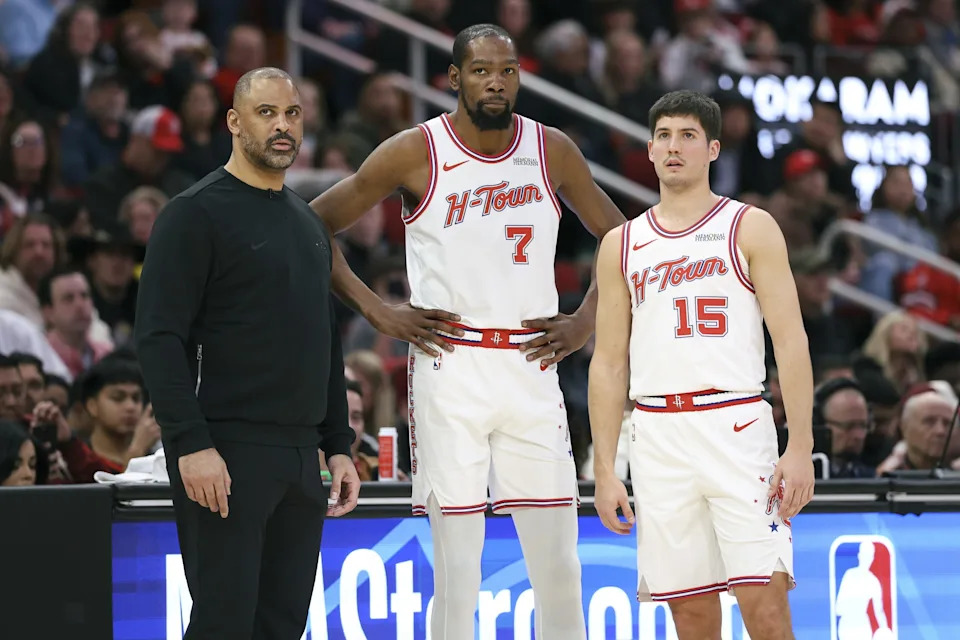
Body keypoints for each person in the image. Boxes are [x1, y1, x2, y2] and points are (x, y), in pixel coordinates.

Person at [308, 23, 625, 640]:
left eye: (507, 71)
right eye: (481, 70)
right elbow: (312, 224)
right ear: (454, 77)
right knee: (458, 573)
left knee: (559, 566)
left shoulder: (551, 148)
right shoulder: (415, 150)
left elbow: (623, 241)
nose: (496, 82)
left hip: (532, 370)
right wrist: (378, 311)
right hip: (450, 368)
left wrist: (587, 319)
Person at [134, 67, 360, 640]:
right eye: (266, 113)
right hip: (226, 450)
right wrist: (190, 442)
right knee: (224, 623)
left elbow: (323, 340)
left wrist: (337, 446)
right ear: (234, 122)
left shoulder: (309, 223)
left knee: (282, 625)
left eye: (292, 113)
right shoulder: (194, 213)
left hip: (300, 456)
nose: (282, 126)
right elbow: (160, 337)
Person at [588, 90, 815, 639]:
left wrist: (801, 446)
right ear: (648, 149)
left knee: (765, 605)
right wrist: (603, 470)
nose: (674, 147)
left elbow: (790, 341)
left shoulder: (750, 226)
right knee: (688, 615)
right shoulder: (622, 243)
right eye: (664, 135)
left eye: (688, 136)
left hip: (735, 426)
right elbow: (608, 364)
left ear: (713, 148)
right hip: (658, 435)